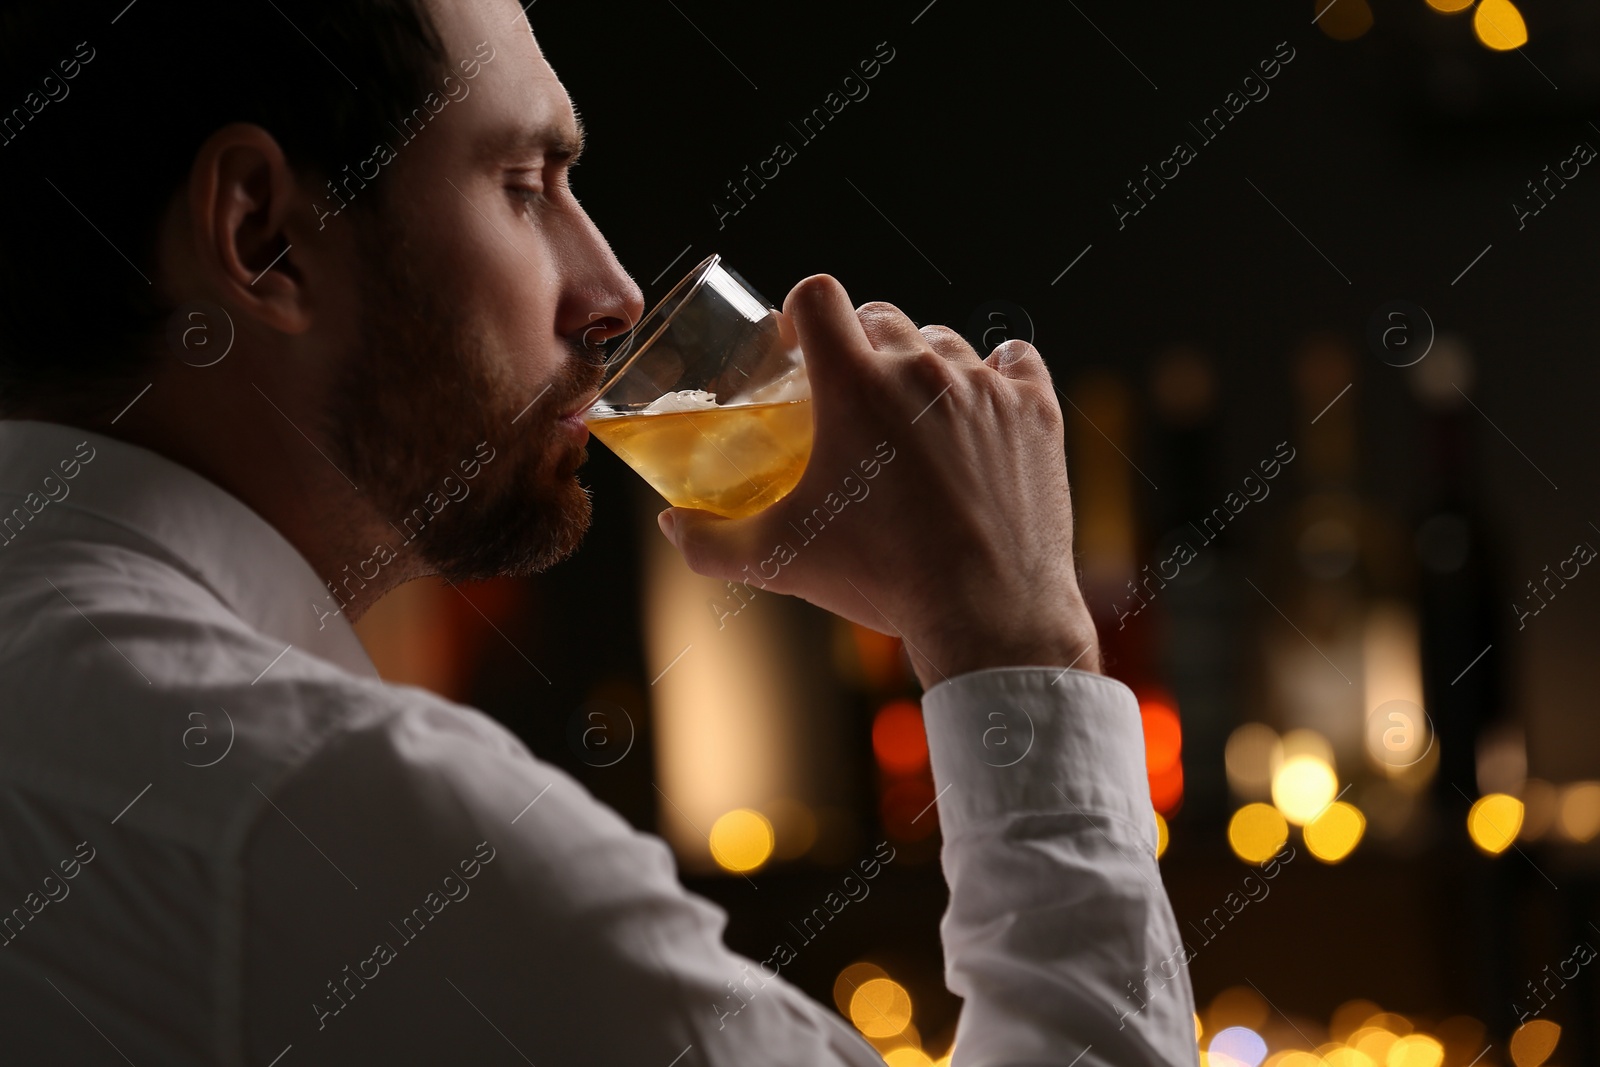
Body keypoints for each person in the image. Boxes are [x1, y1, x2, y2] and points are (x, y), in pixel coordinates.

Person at [0, 0, 1197, 1063]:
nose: (617, 292)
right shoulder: (377, 833)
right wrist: (1015, 636)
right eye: (524, 184)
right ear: (265, 237)